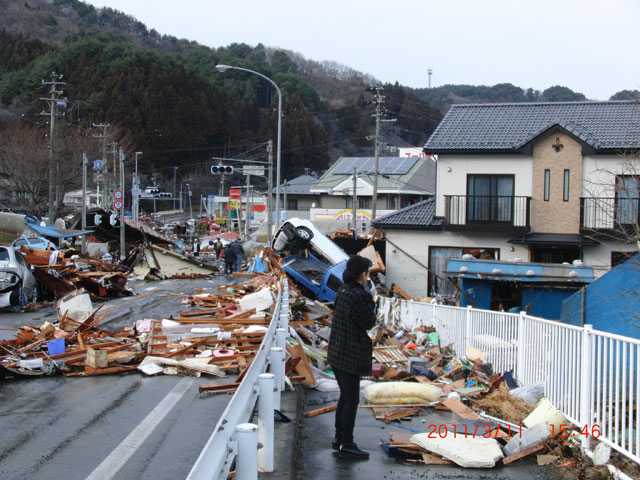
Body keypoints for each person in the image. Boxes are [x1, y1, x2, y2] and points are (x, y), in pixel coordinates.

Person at [327, 255, 376, 459]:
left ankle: (340, 439)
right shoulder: (358, 295)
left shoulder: (343, 290)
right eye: (367, 272)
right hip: (350, 352)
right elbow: (369, 322)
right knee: (351, 400)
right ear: (362, 274)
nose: (368, 276)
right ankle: (346, 443)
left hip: (337, 350)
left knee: (345, 398)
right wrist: (373, 303)